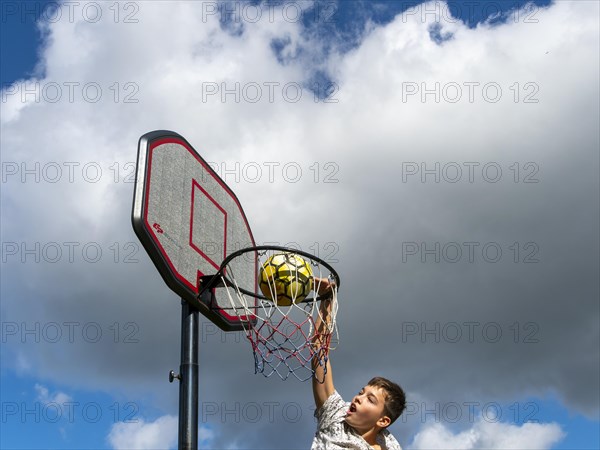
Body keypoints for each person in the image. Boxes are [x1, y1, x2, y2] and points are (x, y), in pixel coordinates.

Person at [311, 278, 406, 450]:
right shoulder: (336, 415)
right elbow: (319, 352)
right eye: (361, 392)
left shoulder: (390, 446)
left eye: (370, 400)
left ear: (383, 421)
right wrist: (327, 298)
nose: (358, 398)